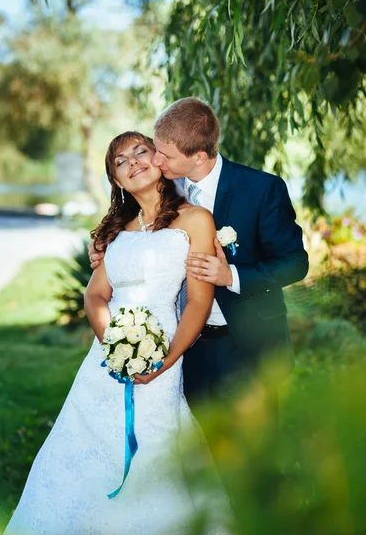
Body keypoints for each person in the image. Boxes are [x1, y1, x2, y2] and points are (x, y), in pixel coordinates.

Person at [2, 131, 233, 535]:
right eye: (120, 161)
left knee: (158, 452)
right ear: (118, 181)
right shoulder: (118, 234)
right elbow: (95, 297)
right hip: (105, 365)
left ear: (159, 159)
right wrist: (115, 346)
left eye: (140, 151)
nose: (133, 162)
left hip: (165, 357)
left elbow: (200, 304)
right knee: (82, 453)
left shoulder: (195, 220)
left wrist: (163, 361)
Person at [89, 98, 309, 413]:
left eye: (163, 154)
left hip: (246, 342)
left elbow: (295, 263)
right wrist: (102, 246)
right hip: (183, 347)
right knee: (198, 450)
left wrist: (230, 275)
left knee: (255, 455)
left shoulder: (261, 189)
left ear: (199, 156)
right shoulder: (164, 185)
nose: (156, 160)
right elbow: (133, 227)